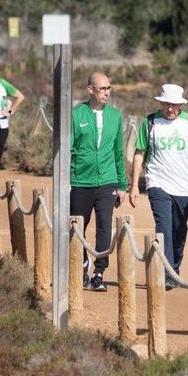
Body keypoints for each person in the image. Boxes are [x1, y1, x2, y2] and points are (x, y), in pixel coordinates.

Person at [129, 84, 188, 291]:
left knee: (179, 230)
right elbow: (139, 153)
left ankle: (174, 268)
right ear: (161, 103)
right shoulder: (151, 122)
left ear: (180, 104)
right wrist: (135, 185)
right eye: (166, 104)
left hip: (184, 185)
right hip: (157, 182)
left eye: (174, 104)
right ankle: (166, 273)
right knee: (163, 226)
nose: (169, 108)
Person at [70, 72, 127, 292]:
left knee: (104, 226)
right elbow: (68, 149)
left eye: (109, 89)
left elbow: (118, 152)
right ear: (90, 90)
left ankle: (99, 272)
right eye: (102, 89)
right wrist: (68, 180)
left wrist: (122, 184)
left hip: (107, 180)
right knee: (78, 226)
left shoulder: (115, 116)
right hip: (80, 180)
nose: (106, 93)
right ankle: (82, 265)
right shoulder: (77, 114)